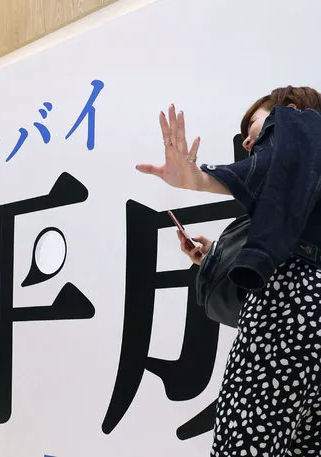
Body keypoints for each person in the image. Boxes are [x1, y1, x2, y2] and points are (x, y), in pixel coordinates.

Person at [137, 86, 321, 455]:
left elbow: (271, 165)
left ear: (286, 107)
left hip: (287, 313)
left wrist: (196, 178)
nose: (249, 143)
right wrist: (214, 258)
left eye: (253, 128)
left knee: (244, 443)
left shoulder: (300, 122)